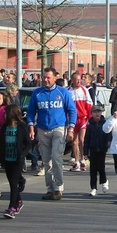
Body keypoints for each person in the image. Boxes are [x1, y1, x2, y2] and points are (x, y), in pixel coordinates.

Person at [27, 67, 77, 201]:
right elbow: (31, 111)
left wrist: (71, 129)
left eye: (49, 77)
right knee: (46, 161)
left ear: (55, 78)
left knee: (56, 158)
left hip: (58, 129)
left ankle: (58, 187)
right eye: (44, 77)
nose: (46, 80)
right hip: (43, 129)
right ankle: (50, 188)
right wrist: (31, 127)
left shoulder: (63, 92)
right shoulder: (37, 93)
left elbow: (72, 110)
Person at [0, 104, 32, 219]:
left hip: (17, 159)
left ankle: (12, 207)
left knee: (13, 183)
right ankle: (19, 201)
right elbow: (1, 142)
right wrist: (0, 157)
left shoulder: (21, 126)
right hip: (7, 159)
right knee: (12, 181)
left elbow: (28, 142)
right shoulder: (5, 127)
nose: (4, 114)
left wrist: (22, 154)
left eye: (6, 112)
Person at [83, 105, 111, 196]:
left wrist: (108, 143)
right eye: (95, 112)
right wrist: (85, 152)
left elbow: (108, 134)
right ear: (91, 114)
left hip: (102, 148)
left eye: (98, 112)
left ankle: (104, 181)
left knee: (101, 167)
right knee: (93, 169)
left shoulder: (105, 123)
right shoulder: (90, 125)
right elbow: (86, 139)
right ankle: (93, 188)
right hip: (93, 149)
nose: (97, 114)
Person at [68, 72, 93, 172]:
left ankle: (83, 159)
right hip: (72, 119)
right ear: (72, 80)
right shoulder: (68, 91)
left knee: (82, 140)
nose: (79, 81)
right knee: (74, 141)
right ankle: (77, 162)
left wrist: (89, 117)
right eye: (76, 79)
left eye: (80, 79)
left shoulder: (84, 90)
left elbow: (89, 104)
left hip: (83, 118)